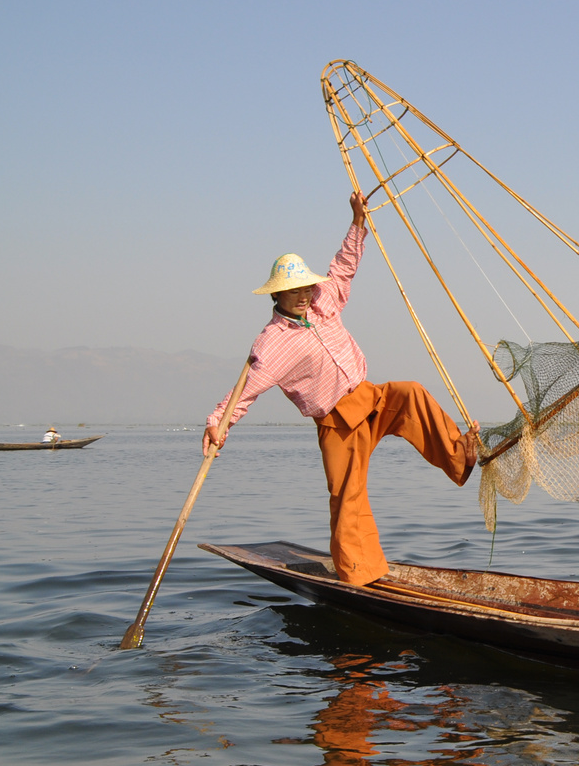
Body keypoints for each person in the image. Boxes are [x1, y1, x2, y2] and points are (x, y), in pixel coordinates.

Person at [205, 189, 478, 586]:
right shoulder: (271, 343)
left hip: (368, 398)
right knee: (347, 498)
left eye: (304, 288)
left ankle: (461, 456)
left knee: (411, 393)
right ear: (277, 294)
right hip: (337, 423)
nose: (302, 295)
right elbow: (243, 393)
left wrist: (357, 223)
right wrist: (217, 424)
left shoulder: (322, 300)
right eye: (293, 291)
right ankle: (359, 574)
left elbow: (343, 268)